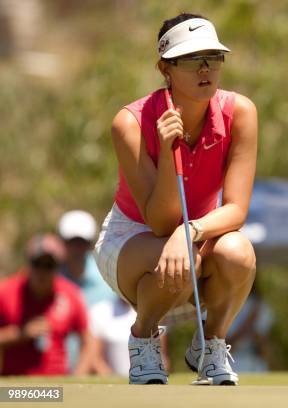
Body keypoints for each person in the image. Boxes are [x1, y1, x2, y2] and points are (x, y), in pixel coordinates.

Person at [93, 12, 257, 385]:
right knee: (185, 260)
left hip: (195, 235)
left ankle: (211, 344)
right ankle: (143, 336)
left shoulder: (240, 112)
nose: (205, 68)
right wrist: (168, 153)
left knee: (239, 252)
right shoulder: (131, 122)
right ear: (165, 68)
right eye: (191, 59)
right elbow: (160, 222)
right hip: (132, 238)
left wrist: (192, 231)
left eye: (213, 57)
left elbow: (236, 209)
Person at [0, 234, 92, 376]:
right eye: (37, 264)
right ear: (28, 264)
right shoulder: (6, 292)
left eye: (49, 266)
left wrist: (79, 377)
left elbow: (87, 341)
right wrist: (20, 334)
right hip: (15, 385)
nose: (42, 272)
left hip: (58, 387)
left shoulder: (70, 294)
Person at [58, 209, 117, 373]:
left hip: (107, 372)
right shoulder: (52, 279)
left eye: (82, 243)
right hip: (63, 370)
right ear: (62, 243)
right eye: (72, 242)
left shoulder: (107, 274)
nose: (77, 249)